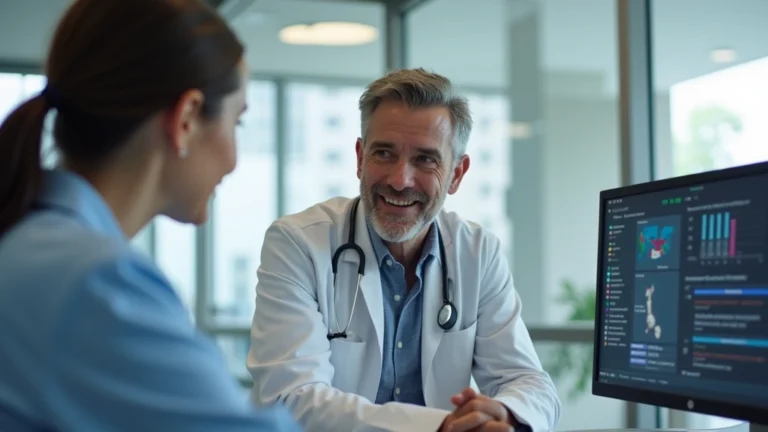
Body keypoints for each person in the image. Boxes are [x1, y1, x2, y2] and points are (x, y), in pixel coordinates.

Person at [0, 1, 301, 430]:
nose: (234, 160)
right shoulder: (96, 281)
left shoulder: (34, 242)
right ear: (187, 119)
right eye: (237, 123)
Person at [247, 68, 561, 432]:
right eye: (384, 153)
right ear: (360, 158)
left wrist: (503, 415)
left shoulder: (478, 252)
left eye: (425, 159)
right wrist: (444, 426)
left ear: (457, 174)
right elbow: (291, 398)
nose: (400, 180)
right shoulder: (297, 243)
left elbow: (530, 383)